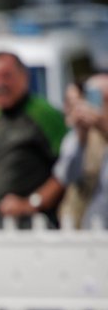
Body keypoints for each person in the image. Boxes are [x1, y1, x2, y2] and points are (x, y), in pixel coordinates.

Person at [0, 52, 66, 226]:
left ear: (24, 77)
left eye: (6, 76)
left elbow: (68, 168)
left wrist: (31, 203)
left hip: (36, 227)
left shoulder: (43, 113)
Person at [55, 75, 108, 229]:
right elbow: (68, 176)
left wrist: (103, 126)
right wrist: (82, 137)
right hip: (85, 227)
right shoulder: (77, 136)